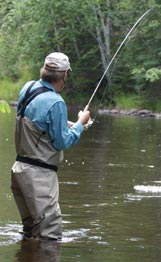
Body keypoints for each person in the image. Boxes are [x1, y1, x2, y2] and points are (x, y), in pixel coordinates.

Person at [11, 52, 90, 241]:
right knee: (49, 237)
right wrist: (80, 124)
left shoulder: (28, 88)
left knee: (30, 232)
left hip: (19, 171)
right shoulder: (56, 102)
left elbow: (36, 121)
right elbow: (62, 142)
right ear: (64, 75)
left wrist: (65, 124)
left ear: (44, 70)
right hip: (39, 177)